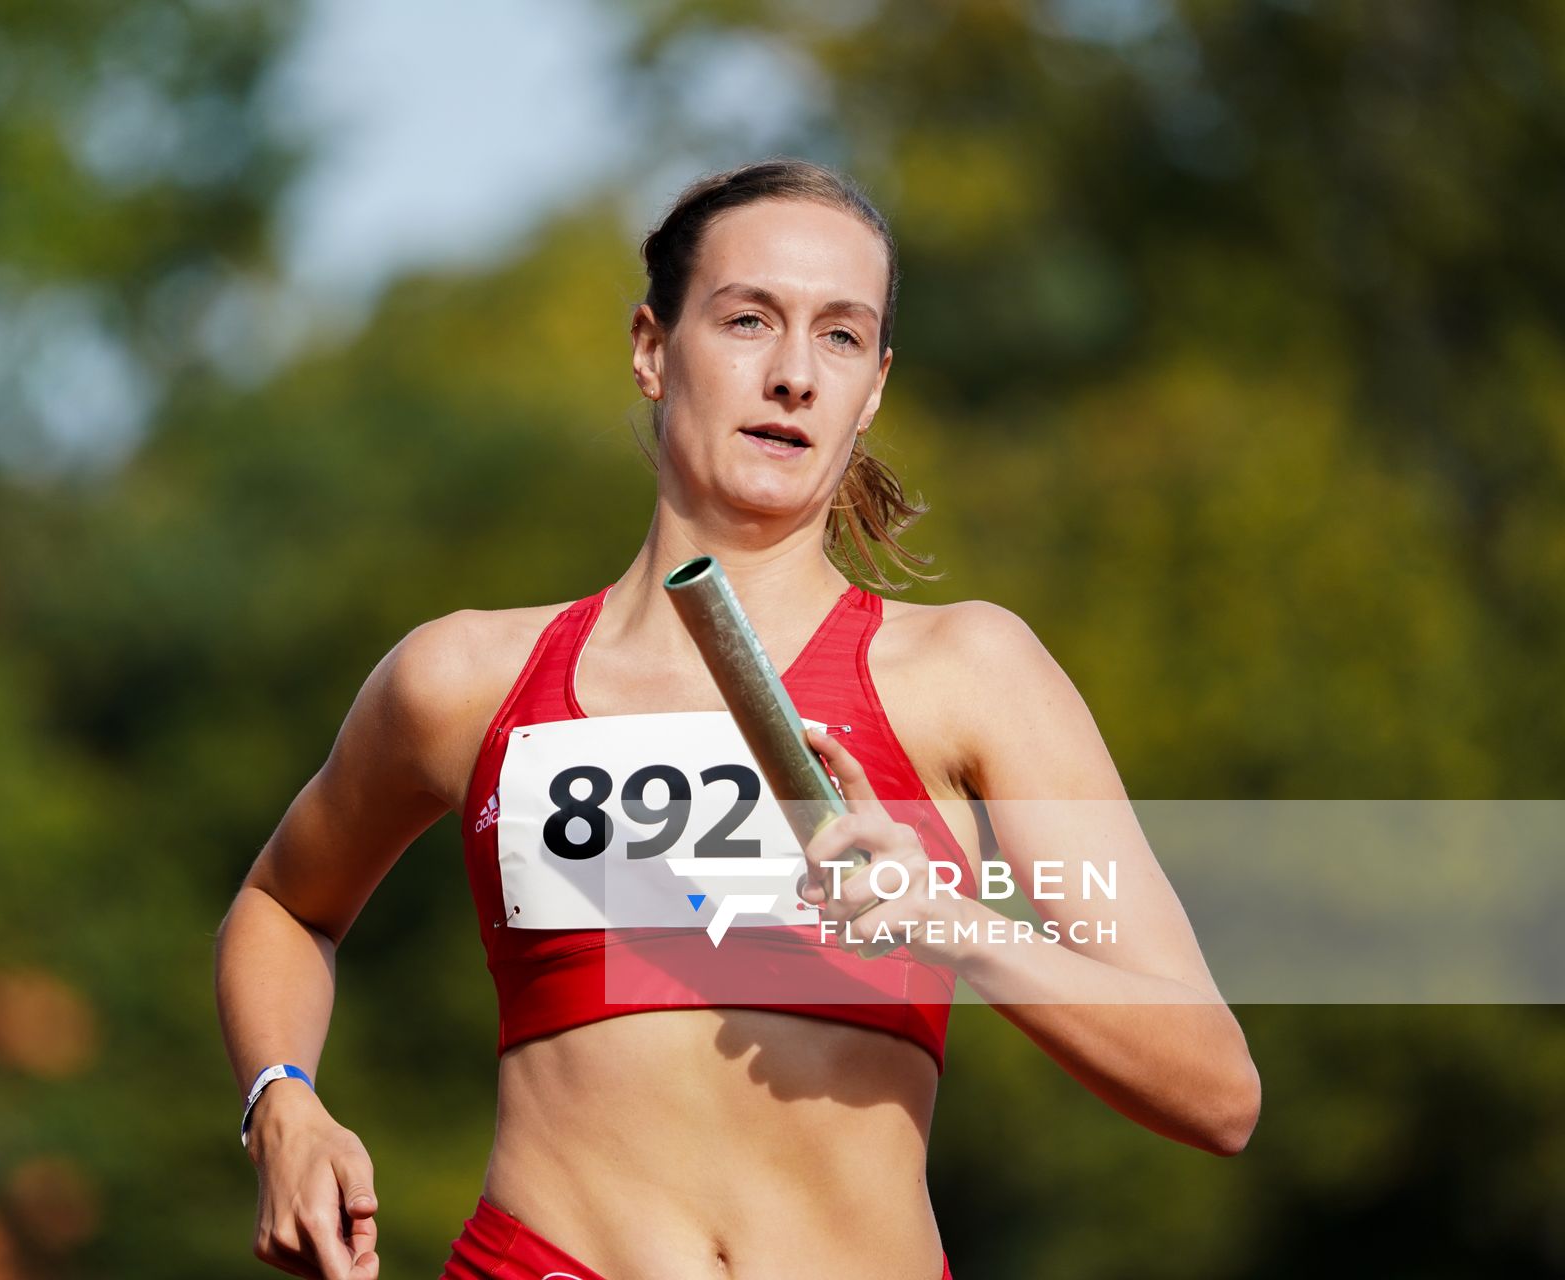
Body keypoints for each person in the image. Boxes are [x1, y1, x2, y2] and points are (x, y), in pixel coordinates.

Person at [214, 157, 1260, 1280]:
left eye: (842, 336)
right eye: (749, 319)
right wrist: (283, 1102)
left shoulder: (969, 671)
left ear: (875, 390)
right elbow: (284, 901)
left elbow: (1215, 1089)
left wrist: (950, 916)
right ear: (653, 349)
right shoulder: (465, 676)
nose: (795, 374)